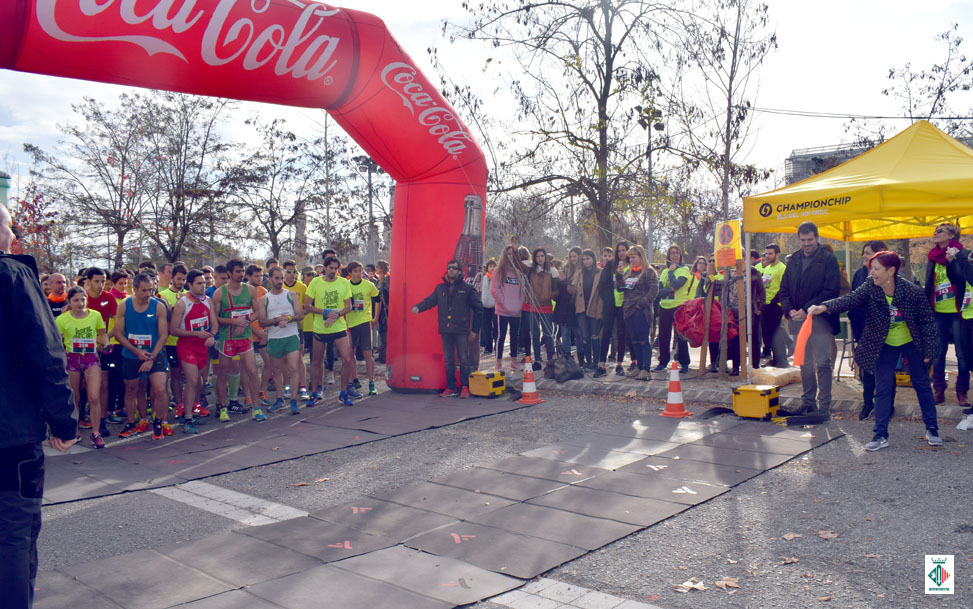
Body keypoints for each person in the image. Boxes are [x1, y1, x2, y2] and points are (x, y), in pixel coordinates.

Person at [0, 201, 78, 609]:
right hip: (10, 437)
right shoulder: (12, 275)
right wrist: (64, 422)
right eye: (10, 227)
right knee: (12, 533)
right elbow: (47, 355)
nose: (14, 237)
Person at [809, 250, 942, 449]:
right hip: (884, 343)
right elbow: (850, 299)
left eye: (877, 268)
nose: (872, 272)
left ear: (891, 270)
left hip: (911, 342)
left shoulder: (911, 291)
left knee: (922, 384)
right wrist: (824, 307)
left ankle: (932, 429)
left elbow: (927, 322)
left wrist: (929, 351)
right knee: (882, 388)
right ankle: (880, 435)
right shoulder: (871, 287)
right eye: (871, 268)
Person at [778, 222, 841, 416]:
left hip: (820, 321)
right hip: (798, 321)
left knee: (822, 363)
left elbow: (831, 290)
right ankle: (808, 402)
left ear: (817, 238)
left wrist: (807, 310)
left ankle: (824, 406)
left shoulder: (828, 259)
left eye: (810, 240)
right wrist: (790, 311)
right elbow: (784, 289)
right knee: (804, 364)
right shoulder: (794, 259)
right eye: (803, 240)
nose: (806, 244)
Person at [412, 259, 483, 398]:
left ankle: (465, 387)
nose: (451, 270)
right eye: (449, 268)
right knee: (449, 360)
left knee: (464, 359)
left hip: (462, 331)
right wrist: (418, 307)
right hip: (445, 330)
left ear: (460, 271)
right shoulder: (440, 288)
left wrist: (474, 330)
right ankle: (450, 387)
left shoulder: (468, 289)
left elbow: (479, 309)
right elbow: (430, 301)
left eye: (454, 268)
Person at [114, 272, 171, 440]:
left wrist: (151, 356)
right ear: (135, 289)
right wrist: (136, 352)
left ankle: (158, 422)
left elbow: (163, 335)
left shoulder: (158, 306)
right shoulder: (124, 306)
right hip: (132, 354)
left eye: (151, 290)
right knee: (132, 389)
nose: (148, 294)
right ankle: (132, 423)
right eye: (144, 290)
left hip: (155, 353)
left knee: (160, 388)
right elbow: (118, 333)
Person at [55, 285, 109, 447]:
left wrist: (104, 344)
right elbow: (56, 340)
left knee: (94, 396)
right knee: (75, 397)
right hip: (72, 360)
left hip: (91, 358)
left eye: (83, 299)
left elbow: (102, 334)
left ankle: (96, 433)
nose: (80, 303)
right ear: (69, 302)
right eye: (76, 300)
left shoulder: (95, 315)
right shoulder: (62, 319)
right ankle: (75, 431)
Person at [213, 259, 265, 422]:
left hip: (245, 338)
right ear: (229, 273)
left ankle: (256, 408)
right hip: (227, 339)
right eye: (237, 271)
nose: (241, 274)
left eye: (242, 271)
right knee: (223, 373)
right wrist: (234, 322)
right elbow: (215, 317)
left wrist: (247, 320)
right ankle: (223, 407)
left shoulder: (250, 290)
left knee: (252, 370)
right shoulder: (219, 293)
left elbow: (258, 312)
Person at [169, 269, 218, 434]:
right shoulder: (182, 303)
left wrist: (211, 335)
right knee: (192, 380)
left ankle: (191, 412)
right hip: (187, 346)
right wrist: (195, 333)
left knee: (199, 382)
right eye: (199, 283)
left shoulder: (208, 300)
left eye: (204, 282)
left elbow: (214, 322)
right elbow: (174, 330)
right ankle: (187, 418)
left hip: (203, 346)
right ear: (189, 285)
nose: (203, 286)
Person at [304, 256, 357, 406]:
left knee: (347, 359)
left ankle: (343, 392)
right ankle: (315, 392)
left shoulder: (343, 283)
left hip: (339, 326)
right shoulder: (315, 282)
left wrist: (336, 315)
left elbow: (349, 306)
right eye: (331, 268)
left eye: (336, 268)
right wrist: (325, 312)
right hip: (320, 327)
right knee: (316, 361)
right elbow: (307, 305)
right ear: (324, 268)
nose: (333, 271)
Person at [925, 223, 968, 405]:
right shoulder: (933, 257)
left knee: (961, 353)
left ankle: (961, 391)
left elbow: (962, 279)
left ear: (952, 235)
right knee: (938, 353)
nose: (935, 233)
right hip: (938, 313)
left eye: (940, 231)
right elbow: (929, 284)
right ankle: (939, 389)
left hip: (958, 311)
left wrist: (953, 261)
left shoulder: (962, 254)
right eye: (935, 230)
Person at [849, 240, 890, 419]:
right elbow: (852, 298)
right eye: (863, 253)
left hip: (882, 330)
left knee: (884, 368)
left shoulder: (890, 275)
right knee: (867, 368)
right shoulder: (859, 274)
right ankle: (867, 403)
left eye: (867, 253)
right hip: (863, 328)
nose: (864, 256)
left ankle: (887, 405)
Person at [258, 266, 304, 414]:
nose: (280, 281)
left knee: (293, 368)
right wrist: (276, 321)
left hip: (291, 337)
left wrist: (288, 319)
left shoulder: (290, 295)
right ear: (270, 279)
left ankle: (294, 400)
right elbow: (262, 322)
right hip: (274, 338)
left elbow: (300, 315)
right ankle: (279, 398)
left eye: (281, 278)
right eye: (277, 278)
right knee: (276, 370)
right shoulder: (264, 299)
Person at [617, 245, 658, 380]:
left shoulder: (649, 272)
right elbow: (620, 289)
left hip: (641, 311)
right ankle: (639, 367)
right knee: (634, 341)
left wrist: (641, 303)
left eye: (633, 257)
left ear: (641, 257)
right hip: (628, 311)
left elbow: (653, 291)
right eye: (630, 258)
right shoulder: (628, 272)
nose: (631, 260)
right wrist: (618, 276)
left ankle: (646, 369)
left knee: (643, 340)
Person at [655, 245, 693, 373]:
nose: (675, 255)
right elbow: (659, 291)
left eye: (677, 253)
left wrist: (672, 272)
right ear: (668, 256)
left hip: (679, 306)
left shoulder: (684, 270)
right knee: (663, 336)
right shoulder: (664, 272)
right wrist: (669, 290)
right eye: (672, 253)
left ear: (680, 256)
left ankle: (684, 362)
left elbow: (677, 285)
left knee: (680, 336)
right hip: (664, 306)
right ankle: (663, 362)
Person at [346, 261, 381, 396]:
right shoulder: (346, 285)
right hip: (350, 323)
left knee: (368, 353)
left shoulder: (369, 285)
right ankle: (354, 379)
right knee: (350, 354)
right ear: (350, 273)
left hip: (365, 322)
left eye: (360, 271)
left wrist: (375, 317)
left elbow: (378, 300)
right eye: (355, 271)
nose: (359, 273)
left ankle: (371, 383)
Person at [491, 246, 528, 373]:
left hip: (516, 311)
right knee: (501, 337)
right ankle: (498, 363)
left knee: (514, 337)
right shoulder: (499, 271)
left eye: (513, 254)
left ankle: (514, 361)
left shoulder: (519, 273)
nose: (511, 257)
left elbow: (523, 291)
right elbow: (494, 290)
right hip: (503, 310)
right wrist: (504, 303)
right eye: (508, 254)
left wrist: (519, 304)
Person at [158, 263, 187, 418]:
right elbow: (166, 318)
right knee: (172, 374)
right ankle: (177, 405)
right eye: (178, 278)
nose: (181, 282)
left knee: (187, 374)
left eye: (183, 279)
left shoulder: (189, 294)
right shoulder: (163, 295)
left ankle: (191, 404)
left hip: (187, 341)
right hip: (170, 343)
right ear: (172, 278)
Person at [524, 248, 559, 368]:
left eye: (542, 256)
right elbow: (518, 264)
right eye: (537, 256)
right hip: (532, 306)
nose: (540, 258)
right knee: (535, 333)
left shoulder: (553, 271)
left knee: (548, 334)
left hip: (546, 306)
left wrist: (547, 296)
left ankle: (550, 359)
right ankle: (537, 359)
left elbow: (556, 290)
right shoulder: (530, 270)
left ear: (545, 257)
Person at [755, 243, 789, 367]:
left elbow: (785, 287)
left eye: (770, 253)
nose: (767, 256)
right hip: (765, 304)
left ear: (777, 254)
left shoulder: (782, 268)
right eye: (766, 253)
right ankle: (775, 358)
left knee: (775, 332)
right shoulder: (767, 268)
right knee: (768, 333)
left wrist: (775, 301)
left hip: (775, 305)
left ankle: (782, 360)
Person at [281, 260, 310, 400]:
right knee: (285, 359)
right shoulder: (279, 287)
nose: (291, 274)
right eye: (288, 272)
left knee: (299, 358)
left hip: (298, 328)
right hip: (283, 328)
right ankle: (287, 387)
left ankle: (303, 387)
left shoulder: (302, 287)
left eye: (294, 272)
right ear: (283, 272)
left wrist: (297, 316)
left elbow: (307, 307)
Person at [574, 248, 604, 371]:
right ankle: (588, 361)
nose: (586, 261)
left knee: (594, 335)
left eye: (588, 259)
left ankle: (596, 362)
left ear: (593, 259)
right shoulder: (580, 273)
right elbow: (574, 287)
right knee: (584, 336)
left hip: (594, 306)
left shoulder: (599, 272)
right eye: (584, 259)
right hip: (581, 307)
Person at [480, 259, 497, 355]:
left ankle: (496, 347)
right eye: (490, 266)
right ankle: (488, 347)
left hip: (495, 306)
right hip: (485, 306)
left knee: (496, 328)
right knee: (486, 328)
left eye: (493, 266)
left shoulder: (498, 278)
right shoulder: (484, 278)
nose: (492, 268)